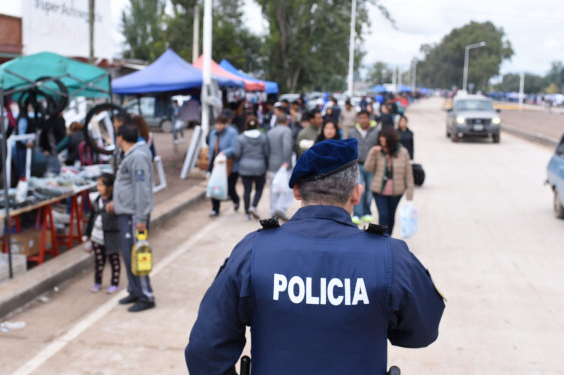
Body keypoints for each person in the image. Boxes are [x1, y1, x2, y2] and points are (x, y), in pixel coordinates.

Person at [185, 138, 445, 374]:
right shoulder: (391, 257)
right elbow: (421, 333)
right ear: (357, 193)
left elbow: (205, 350)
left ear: (296, 191)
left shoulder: (253, 252)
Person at [107, 123, 155, 312]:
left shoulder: (138, 157)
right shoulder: (132, 155)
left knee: (138, 254)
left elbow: (142, 190)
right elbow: (127, 186)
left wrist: (141, 217)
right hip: (126, 212)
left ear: (120, 138)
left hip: (135, 216)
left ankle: (146, 295)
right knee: (128, 255)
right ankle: (135, 290)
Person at [364, 128, 414, 235]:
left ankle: (388, 238)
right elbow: (368, 168)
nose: (382, 144)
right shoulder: (377, 152)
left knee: (391, 216)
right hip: (379, 191)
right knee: (383, 215)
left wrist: (410, 192)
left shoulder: (403, 152)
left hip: (397, 191)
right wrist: (372, 153)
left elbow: (408, 173)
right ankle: (382, 240)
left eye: (384, 141)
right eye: (380, 141)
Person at [83, 173, 120, 294]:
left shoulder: (115, 203)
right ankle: (97, 282)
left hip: (111, 237)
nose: (98, 188)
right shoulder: (97, 201)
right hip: (97, 237)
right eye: (98, 185)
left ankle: (114, 283)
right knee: (99, 261)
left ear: (111, 187)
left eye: (101, 185)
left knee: (114, 260)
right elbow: (91, 218)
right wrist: (87, 235)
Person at [348, 110, 380, 225]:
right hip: (357, 165)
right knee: (358, 190)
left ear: (369, 119)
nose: (363, 120)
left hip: (371, 166)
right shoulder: (352, 132)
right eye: (360, 118)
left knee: (369, 191)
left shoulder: (376, 131)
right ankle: (357, 214)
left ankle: (367, 212)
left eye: (365, 117)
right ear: (357, 119)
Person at [234, 116, 269, 221]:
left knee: (247, 190)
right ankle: (253, 206)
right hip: (260, 167)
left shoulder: (241, 138)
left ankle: (246, 213)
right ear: (257, 125)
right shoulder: (263, 137)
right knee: (259, 188)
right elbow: (266, 153)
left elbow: (237, 153)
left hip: (245, 167)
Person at [207, 114, 240, 216]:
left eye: (221, 124)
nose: (218, 126)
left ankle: (236, 200)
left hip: (229, 165)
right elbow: (211, 148)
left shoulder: (232, 133)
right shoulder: (213, 133)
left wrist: (224, 153)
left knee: (230, 187)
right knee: (215, 186)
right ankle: (215, 208)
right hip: (216, 164)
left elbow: (235, 148)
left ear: (226, 124)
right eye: (217, 124)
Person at [266, 114, 294, 221]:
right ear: (287, 121)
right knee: (287, 189)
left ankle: (274, 211)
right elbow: (287, 146)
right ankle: (280, 208)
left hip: (272, 163)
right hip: (284, 164)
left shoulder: (270, 132)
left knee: (274, 189)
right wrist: (286, 160)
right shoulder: (286, 131)